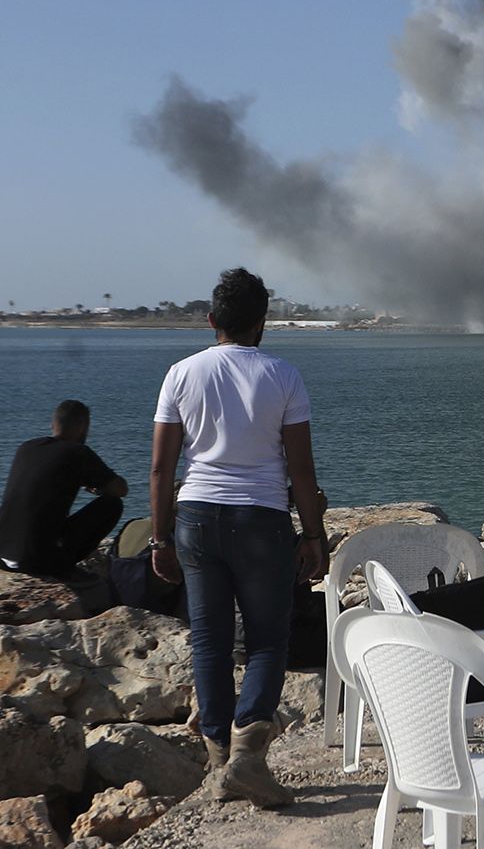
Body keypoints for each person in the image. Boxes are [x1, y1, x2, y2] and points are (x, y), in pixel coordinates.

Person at [149, 268, 327, 809]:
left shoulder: (180, 373)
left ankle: (220, 762)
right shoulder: (283, 375)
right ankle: (249, 754)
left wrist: (159, 539)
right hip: (261, 520)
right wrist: (313, 535)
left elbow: (161, 469)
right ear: (262, 324)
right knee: (268, 639)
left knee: (209, 639)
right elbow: (300, 469)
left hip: (196, 519)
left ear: (211, 321)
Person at [0, 400, 128, 575]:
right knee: (113, 504)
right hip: (36, 561)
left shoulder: (26, 448)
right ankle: (63, 566)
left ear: (53, 424)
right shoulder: (78, 453)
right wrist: (98, 488)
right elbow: (121, 490)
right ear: (82, 426)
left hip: (4, 554)